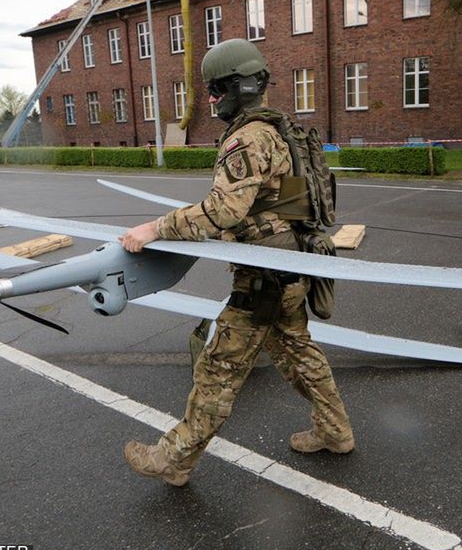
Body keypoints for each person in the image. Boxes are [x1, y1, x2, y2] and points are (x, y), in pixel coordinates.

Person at [118, 38, 354, 487]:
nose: (209, 100)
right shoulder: (279, 129)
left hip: (264, 277)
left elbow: (222, 211)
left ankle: (174, 459)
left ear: (237, 87)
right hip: (291, 267)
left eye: (215, 89)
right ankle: (335, 430)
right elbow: (274, 205)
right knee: (299, 354)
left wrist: (153, 228)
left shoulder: (248, 138)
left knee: (218, 369)